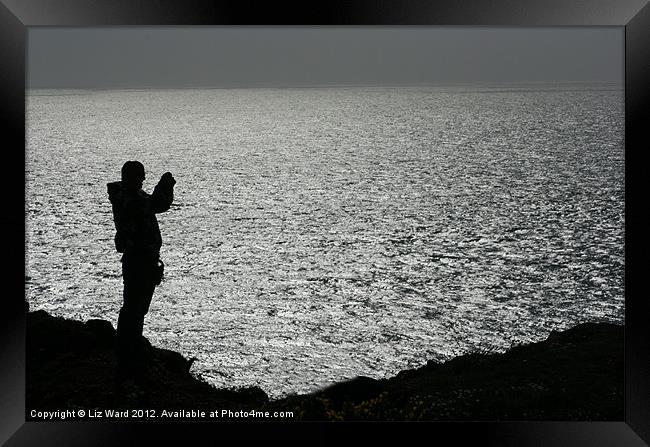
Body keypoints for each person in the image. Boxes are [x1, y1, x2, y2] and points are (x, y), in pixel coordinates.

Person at [107, 161, 176, 380]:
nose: (143, 180)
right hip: (139, 260)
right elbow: (158, 203)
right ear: (131, 178)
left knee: (134, 306)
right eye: (140, 176)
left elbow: (153, 203)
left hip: (140, 259)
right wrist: (166, 184)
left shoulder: (127, 196)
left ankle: (128, 348)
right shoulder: (132, 199)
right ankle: (129, 352)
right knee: (135, 307)